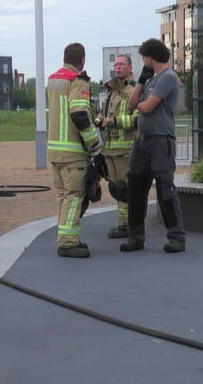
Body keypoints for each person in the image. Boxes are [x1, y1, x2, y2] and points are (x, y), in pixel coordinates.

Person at [121, 38, 186, 253]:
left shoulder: (168, 78)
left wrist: (140, 104)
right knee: (136, 190)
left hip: (161, 141)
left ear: (150, 57)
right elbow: (131, 106)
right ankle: (135, 237)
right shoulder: (150, 80)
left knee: (165, 190)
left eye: (144, 58)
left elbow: (146, 108)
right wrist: (141, 81)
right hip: (143, 142)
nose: (143, 62)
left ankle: (176, 237)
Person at [47, 43, 102, 258]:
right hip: (73, 153)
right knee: (74, 197)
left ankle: (67, 237)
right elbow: (79, 114)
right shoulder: (77, 81)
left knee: (63, 197)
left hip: (55, 152)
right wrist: (94, 144)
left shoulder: (53, 80)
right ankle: (68, 243)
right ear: (82, 60)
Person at [97, 54, 138, 238]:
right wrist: (99, 119)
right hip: (109, 150)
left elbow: (138, 119)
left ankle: (128, 225)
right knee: (116, 189)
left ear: (130, 68)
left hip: (125, 151)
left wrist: (113, 121)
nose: (117, 67)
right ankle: (123, 224)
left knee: (125, 188)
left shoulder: (135, 91)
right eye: (116, 64)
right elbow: (102, 112)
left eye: (122, 64)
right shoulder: (112, 90)